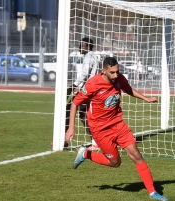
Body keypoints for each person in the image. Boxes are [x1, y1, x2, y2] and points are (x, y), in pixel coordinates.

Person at [65, 57, 168, 201]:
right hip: (100, 130)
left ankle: (152, 192)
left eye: (117, 72)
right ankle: (85, 154)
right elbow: (75, 104)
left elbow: (128, 89)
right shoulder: (93, 84)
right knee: (115, 163)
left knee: (137, 156)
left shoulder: (119, 79)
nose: (115, 75)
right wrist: (71, 129)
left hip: (118, 124)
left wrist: (146, 99)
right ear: (104, 71)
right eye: (112, 72)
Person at [51, 37, 100, 150]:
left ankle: (64, 139)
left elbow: (85, 73)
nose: (80, 47)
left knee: (69, 108)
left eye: (82, 45)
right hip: (87, 89)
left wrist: (74, 85)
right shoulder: (91, 56)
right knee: (83, 114)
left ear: (87, 46)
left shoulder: (89, 56)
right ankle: (95, 141)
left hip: (88, 90)